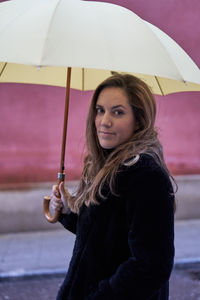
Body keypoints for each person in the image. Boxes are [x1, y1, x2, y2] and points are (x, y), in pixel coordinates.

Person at [51, 73, 175, 300]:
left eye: (117, 112)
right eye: (100, 110)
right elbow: (102, 237)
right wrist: (67, 211)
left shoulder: (146, 176)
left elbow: (152, 265)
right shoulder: (108, 165)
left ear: (139, 120)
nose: (104, 121)